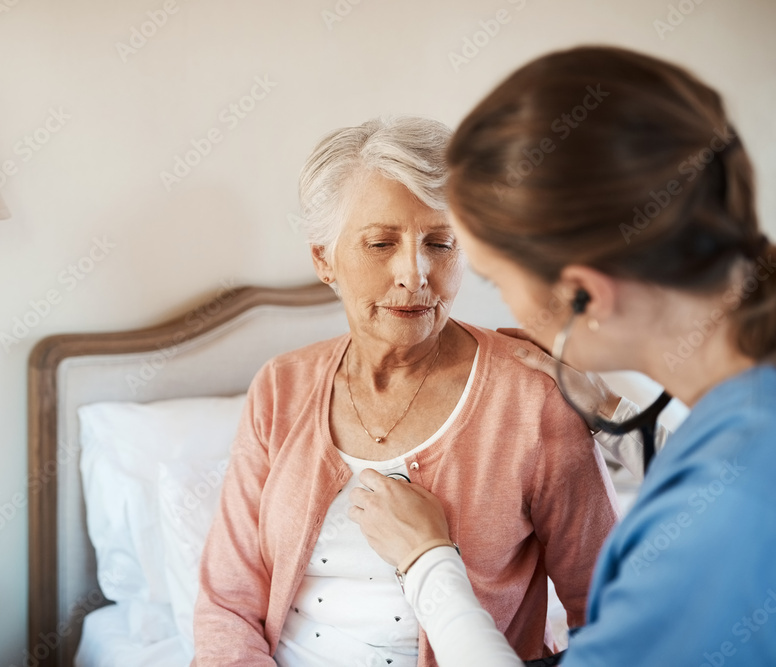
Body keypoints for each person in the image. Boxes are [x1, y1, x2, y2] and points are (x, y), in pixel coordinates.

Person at [348, 46, 776, 665]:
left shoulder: (723, 520)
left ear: (584, 295)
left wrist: (427, 559)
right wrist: (607, 408)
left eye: (495, 278)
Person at [192, 116, 620, 666]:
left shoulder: (533, 398)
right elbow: (228, 604)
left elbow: (611, 614)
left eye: (441, 242)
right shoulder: (280, 386)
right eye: (380, 242)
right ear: (324, 257)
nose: (415, 274)